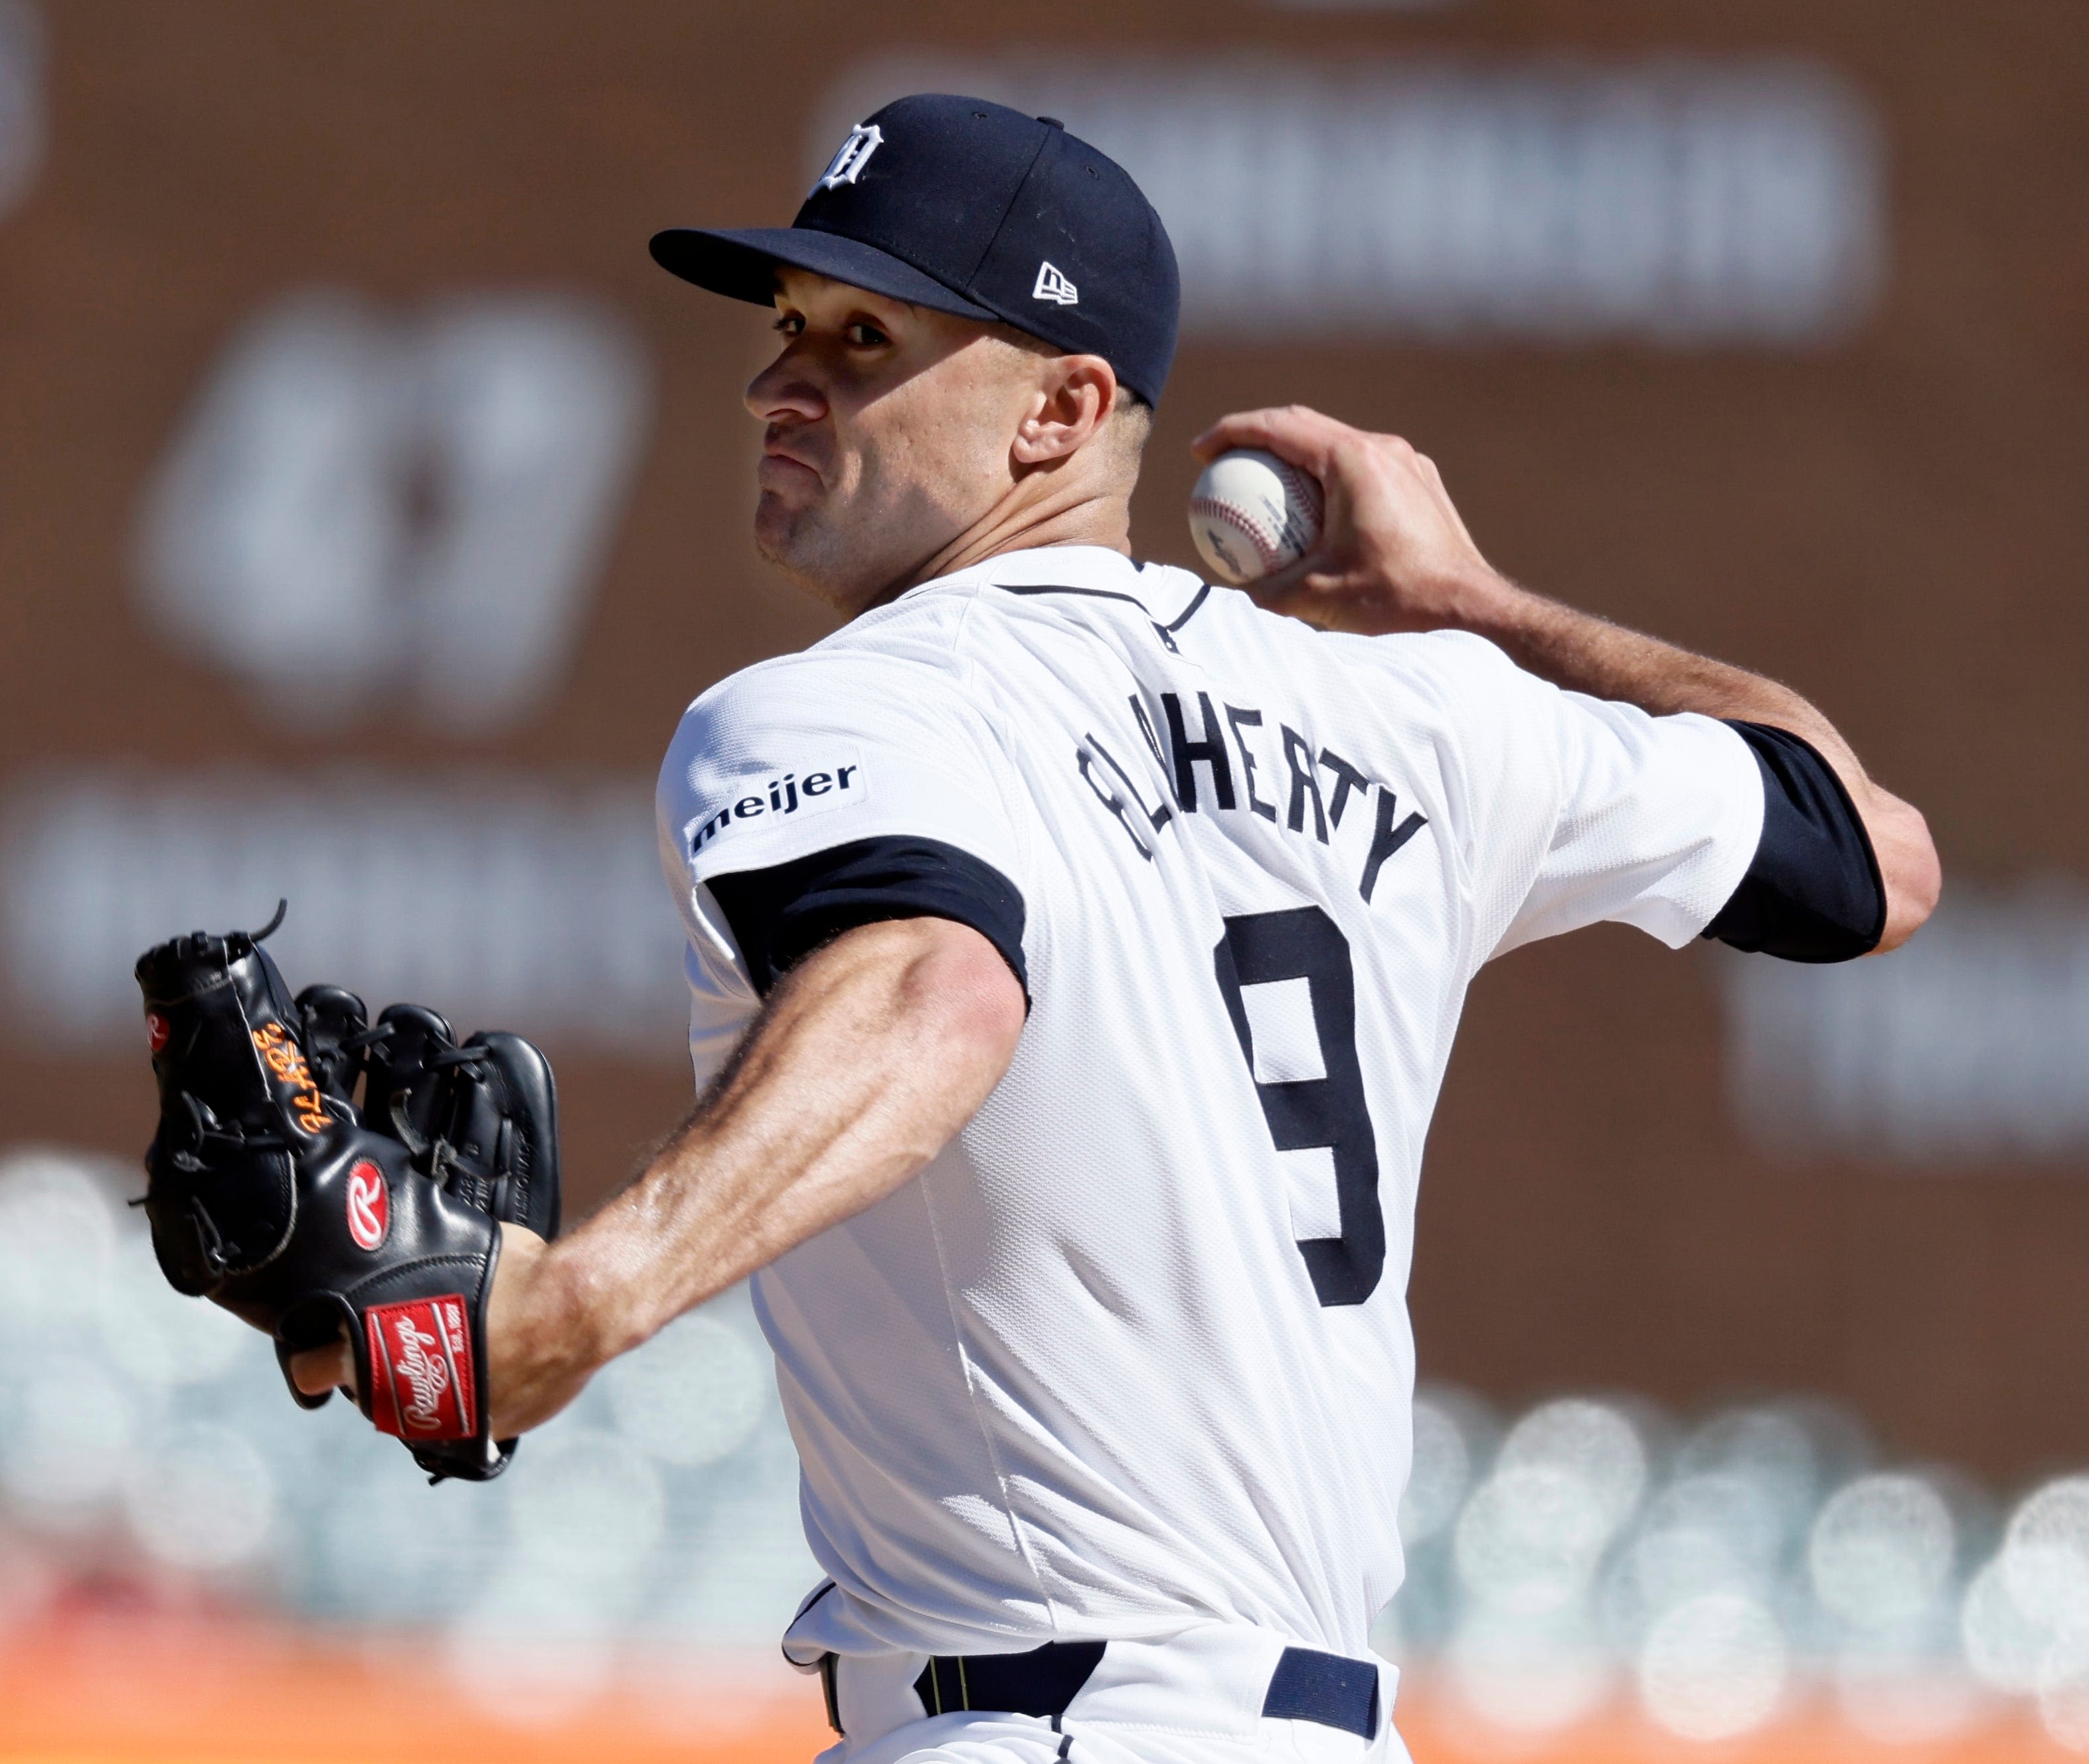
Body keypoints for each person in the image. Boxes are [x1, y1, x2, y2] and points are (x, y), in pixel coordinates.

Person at [295, 92, 1940, 1763]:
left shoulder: (839, 709)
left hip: (1033, 1723)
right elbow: (1865, 859)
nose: (779, 383)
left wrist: (579, 1303)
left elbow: (936, 990)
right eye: (788, 328)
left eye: (864, 338)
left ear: (1064, 407)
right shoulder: (1423, 715)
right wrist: (1476, 606)